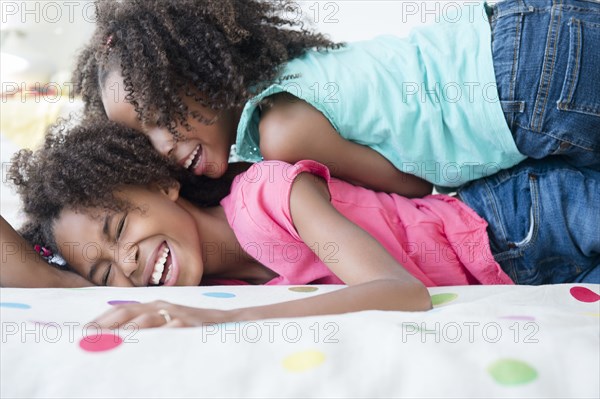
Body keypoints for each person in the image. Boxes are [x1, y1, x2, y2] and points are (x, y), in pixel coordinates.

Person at [6, 119, 598, 329]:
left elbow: (403, 292)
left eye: (117, 231)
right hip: (522, 279)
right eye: (105, 273)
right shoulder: (224, 288)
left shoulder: (267, 193)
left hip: (518, 223)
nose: (129, 266)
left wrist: (214, 320)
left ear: (163, 184)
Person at [73, 0, 600, 197]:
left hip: (522, 87)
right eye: (142, 140)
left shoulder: (282, 131)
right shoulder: (284, 77)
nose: (162, 145)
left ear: (202, 71)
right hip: (523, 32)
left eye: (163, 115)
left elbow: (412, 184)